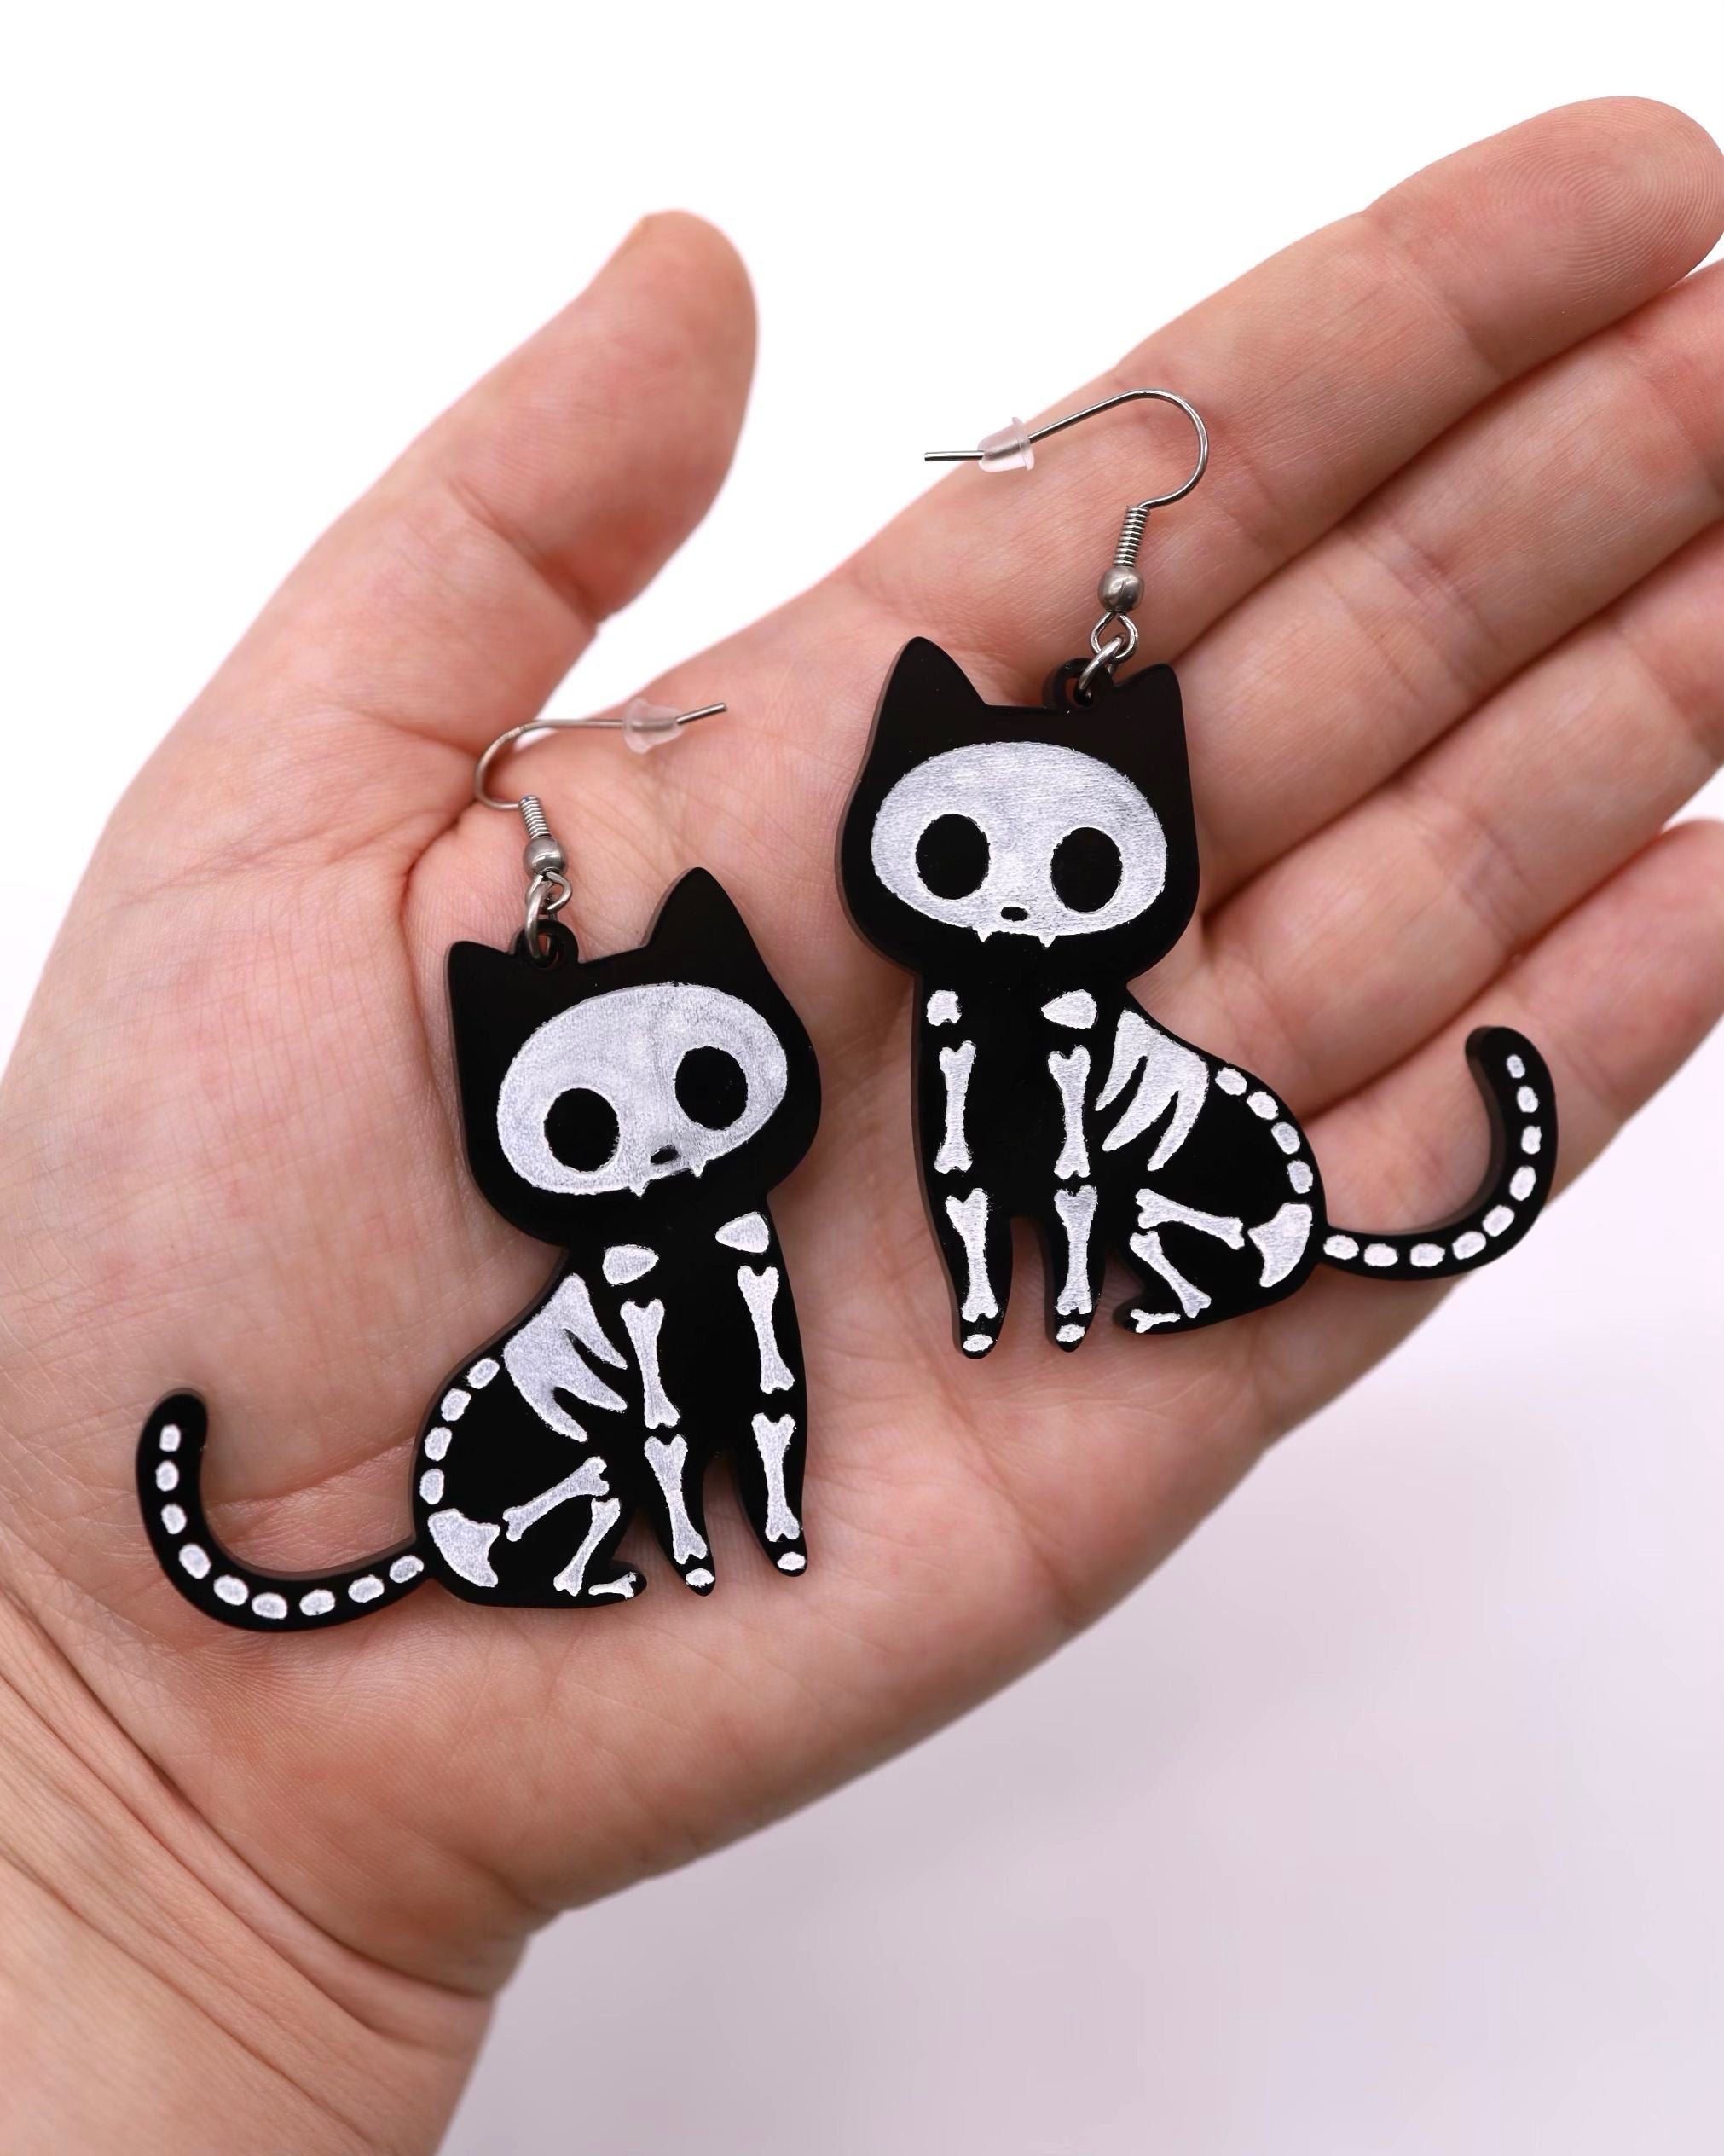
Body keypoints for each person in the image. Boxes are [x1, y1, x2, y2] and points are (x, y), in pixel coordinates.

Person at [2, 95, 1721, 2153]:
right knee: (809, 1313)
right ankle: (720, 1483)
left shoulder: (977, 1042)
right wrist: (87, 1767)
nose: (1008, 907)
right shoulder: (740, 1152)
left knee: (1044, 1199)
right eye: (963, 858)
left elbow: (996, 1190)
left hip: (1209, 1217)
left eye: (1068, 869)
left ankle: (1030, 1329)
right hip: (506, 1509)